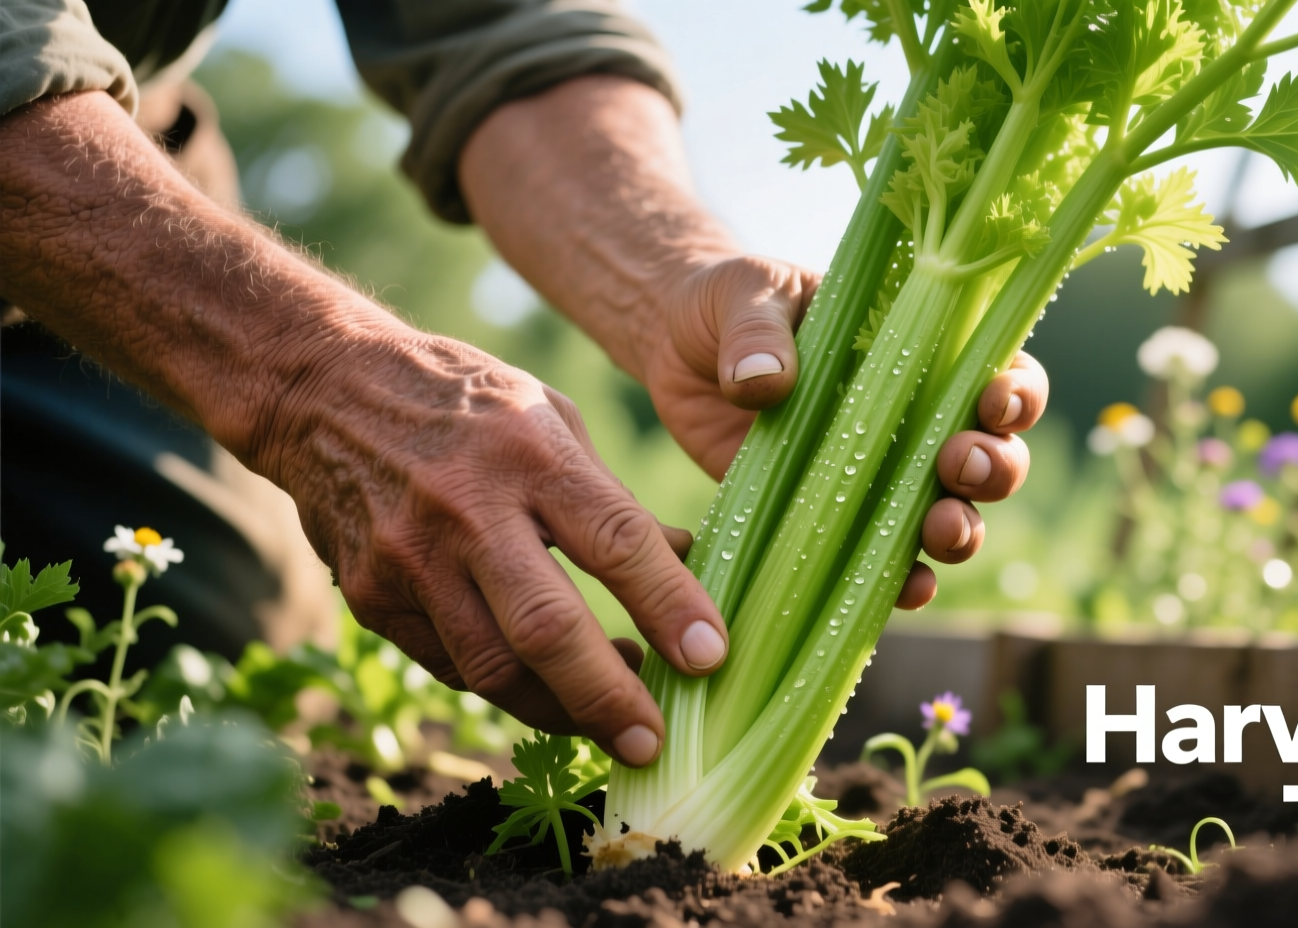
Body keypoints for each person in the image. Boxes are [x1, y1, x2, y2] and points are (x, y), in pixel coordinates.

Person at [0, 0, 1050, 767]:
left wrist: (667, 280)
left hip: (101, 202)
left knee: (221, 675)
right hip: (60, 181)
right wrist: (304, 374)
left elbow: (505, 28)